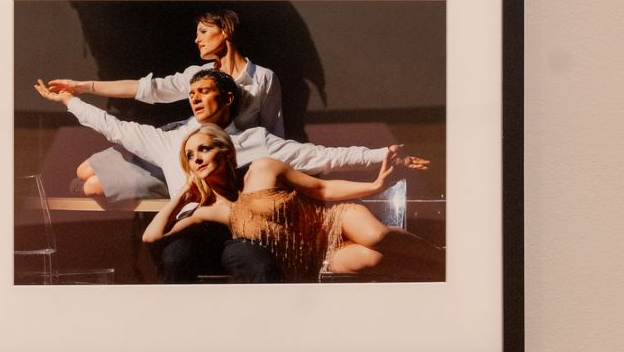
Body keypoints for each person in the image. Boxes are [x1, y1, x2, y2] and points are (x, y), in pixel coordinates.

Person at [34, 67, 429, 281]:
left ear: (226, 99)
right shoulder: (170, 142)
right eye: (191, 94)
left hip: (244, 230)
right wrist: (70, 100)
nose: (194, 98)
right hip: (195, 225)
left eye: (203, 92)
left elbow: (322, 159)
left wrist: (384, 156)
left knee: (256, 261)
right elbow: (113, 127)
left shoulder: (258, 143)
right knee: (176, 258)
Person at [142, 124, 442, 282]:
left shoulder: (263, 168)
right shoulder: (208, 211)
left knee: (377, 235)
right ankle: (434, 277)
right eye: (190, 156)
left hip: (331, 219)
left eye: (203, 149)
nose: (196, 158)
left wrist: (375, 186)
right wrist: (181, 196)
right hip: (316, 256)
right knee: (373, 260)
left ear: (225, 151)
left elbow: (322, 188)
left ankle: (443, 259)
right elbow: (151, 236)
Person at [47, 9, 284, 200]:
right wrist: (83, 86)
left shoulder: (263, 78)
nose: (197, 39)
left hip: (208, 161)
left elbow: (273, 132)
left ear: (225, 31)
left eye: (203, 31)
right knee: (83, 171)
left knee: (92, 186)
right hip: (174, 142)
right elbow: (147, 89)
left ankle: (166, 185)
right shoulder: (199, 75)